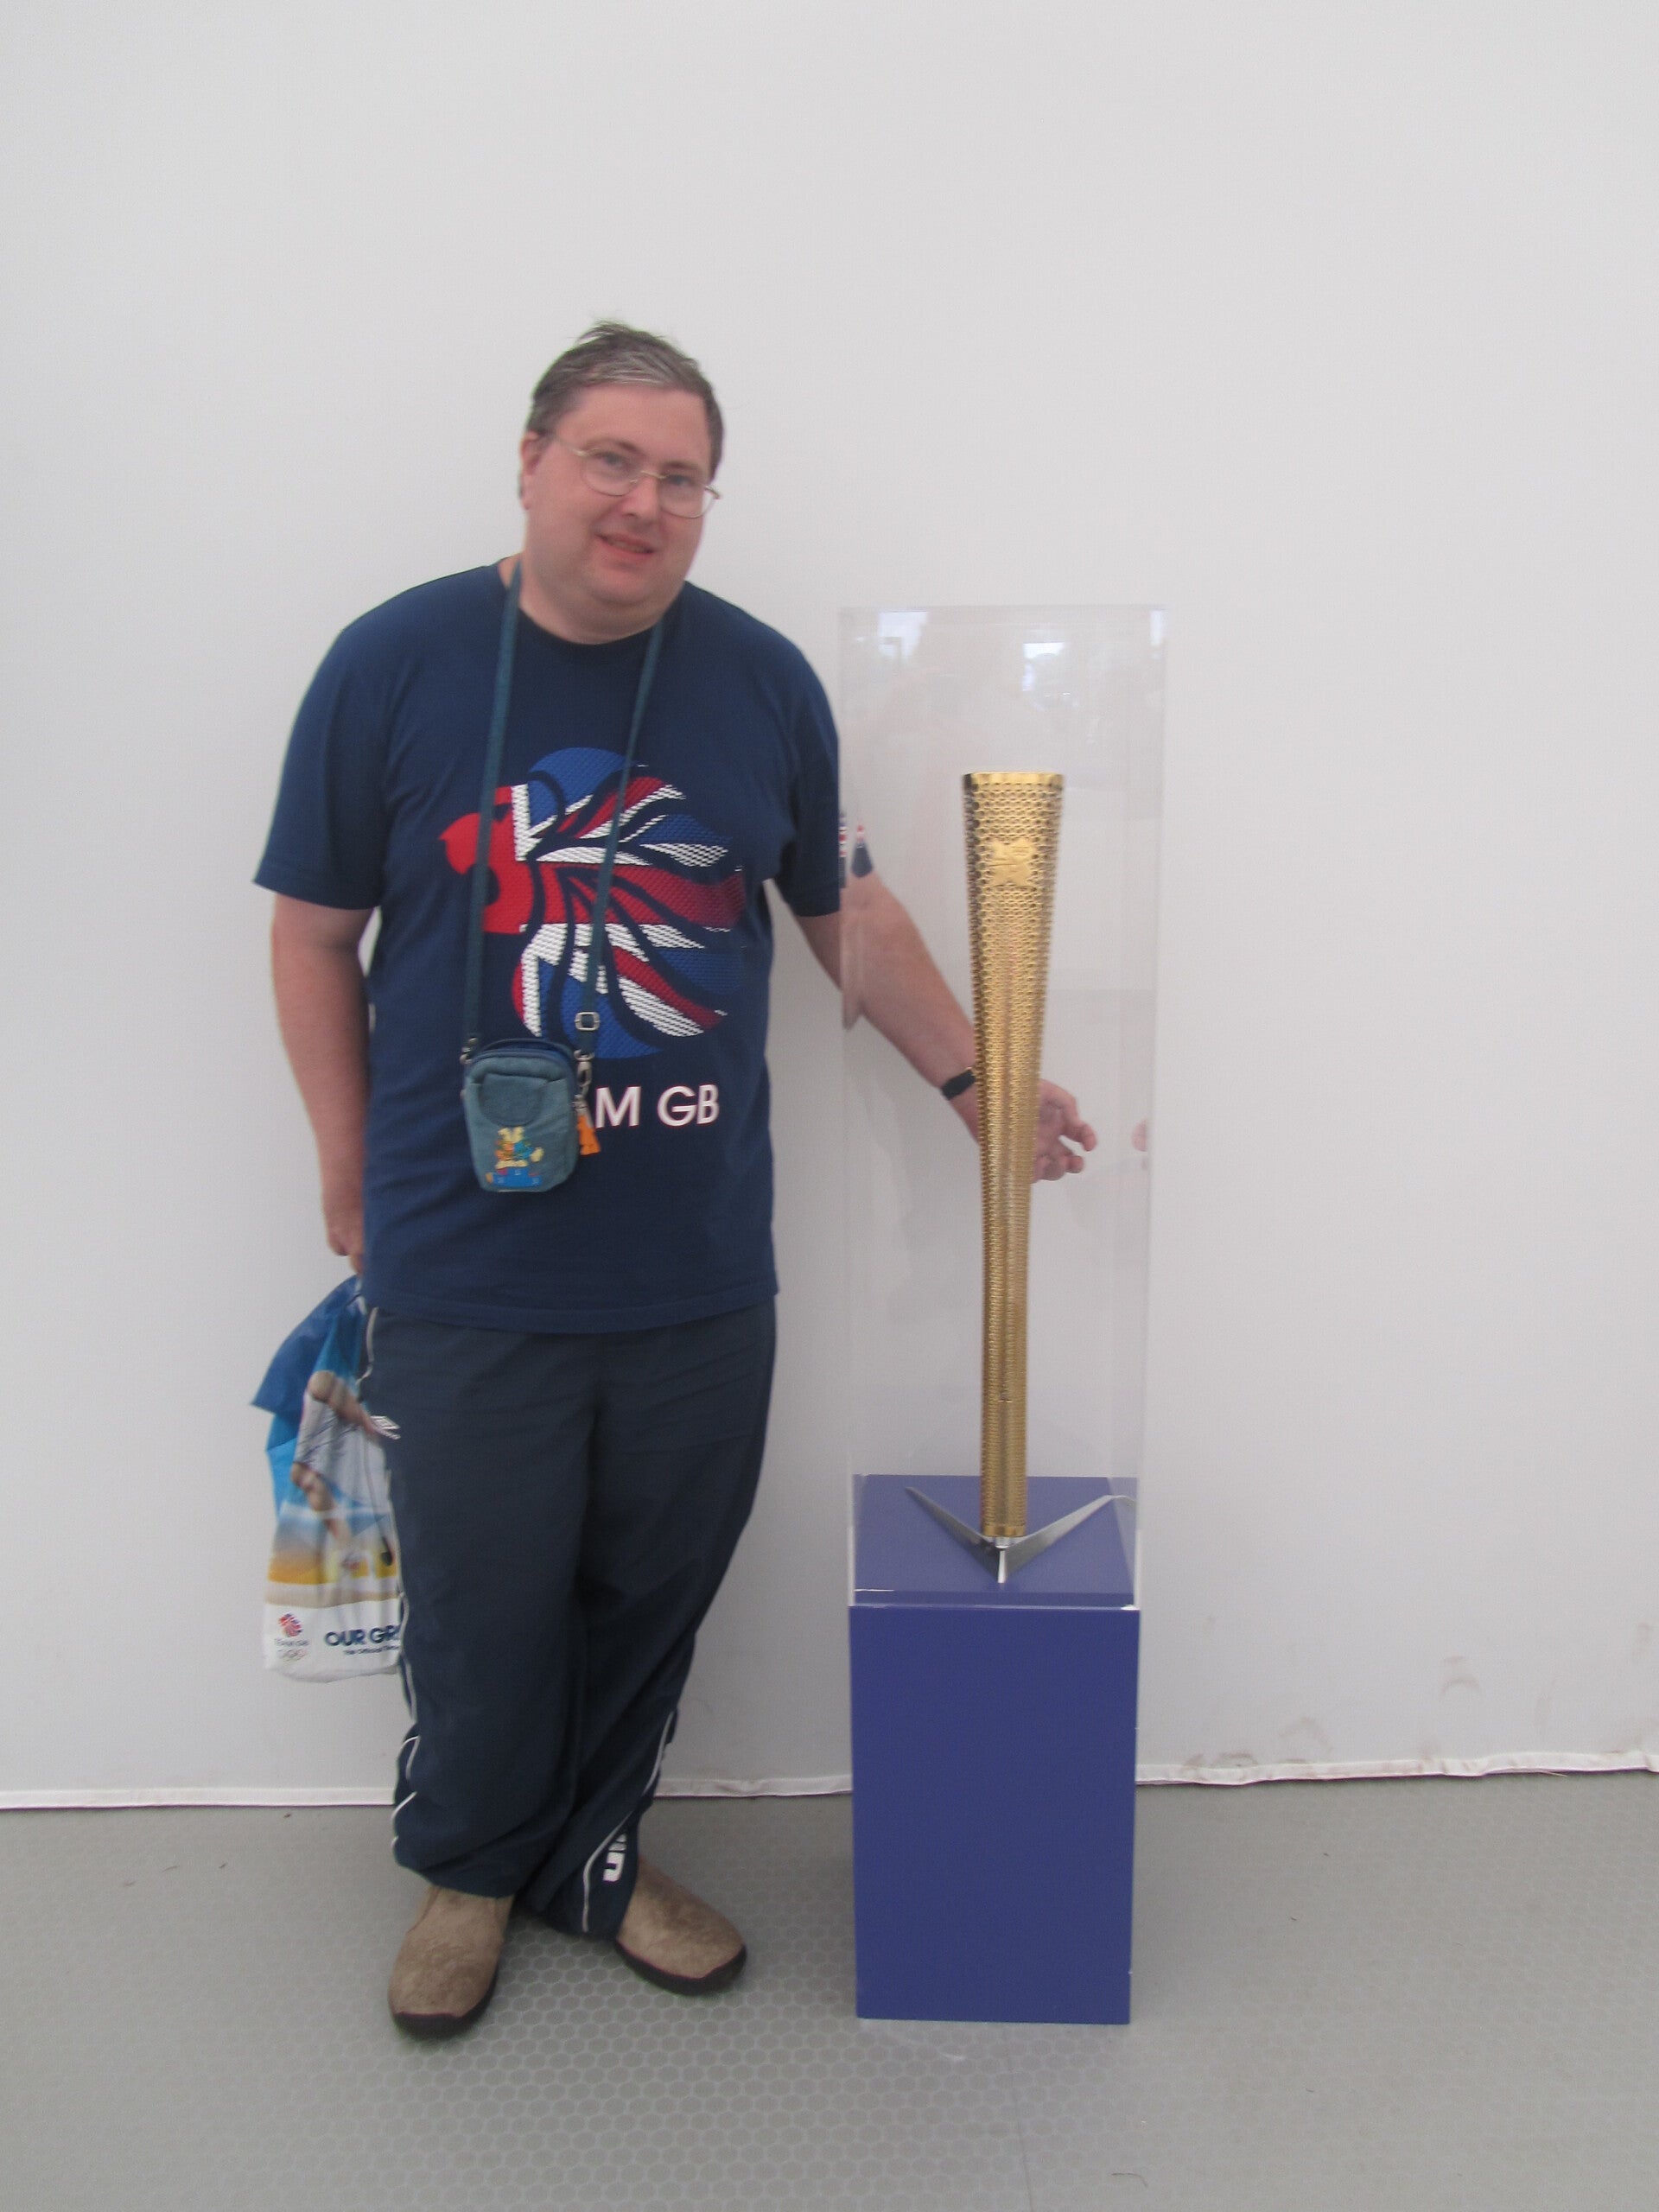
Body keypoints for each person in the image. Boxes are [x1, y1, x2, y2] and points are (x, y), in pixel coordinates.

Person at [257, 322, 1095, 2037]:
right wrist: (347, 1170)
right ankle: (470, 1868)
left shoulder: (760, 680)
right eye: (611, 461)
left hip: (695, 1255)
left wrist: (977, 1083)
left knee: (654, 1584)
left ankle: (597, 1857)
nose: (644, 503)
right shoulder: (394, 663)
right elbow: (313, 933)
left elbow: (846, 909)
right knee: (485, 1594)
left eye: (683, 476)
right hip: (465, 1248)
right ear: (531, 462)